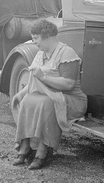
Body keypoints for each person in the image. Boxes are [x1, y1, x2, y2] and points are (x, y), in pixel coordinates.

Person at [11, 18, 87, 170]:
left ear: (47, 36)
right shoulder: (41, 54)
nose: (35, 42)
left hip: (71, 99)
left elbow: (68, 84)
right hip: (51, 94)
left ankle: (43, 151)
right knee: (27, 100)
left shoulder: (66, 53)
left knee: (46, 103)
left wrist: (44, 77)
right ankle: (25, 147)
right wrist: (21, 93)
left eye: (36, 38)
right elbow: (34, 79)